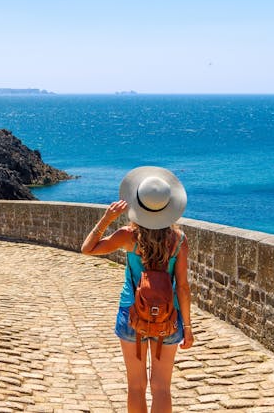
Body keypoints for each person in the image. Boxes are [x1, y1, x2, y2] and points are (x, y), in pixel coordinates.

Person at [81, 166, 193, 413]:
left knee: (136, 386)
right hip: (169, 318)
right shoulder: (179, 240)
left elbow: (87, 248)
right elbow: (183, 287)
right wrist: (188, 327)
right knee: (162, 387)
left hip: (131, 314)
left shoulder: (128, 236)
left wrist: (107, 218)